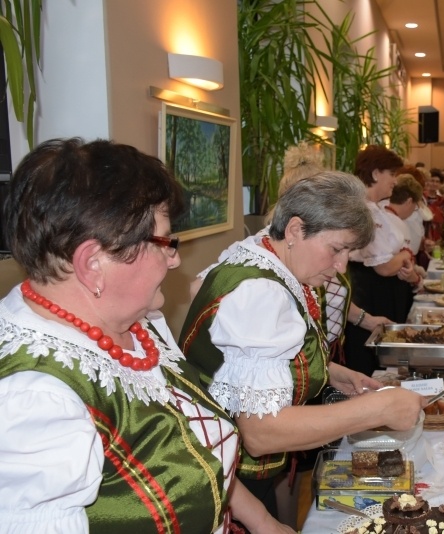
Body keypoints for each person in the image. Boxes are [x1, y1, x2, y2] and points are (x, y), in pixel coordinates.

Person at [0, 138, 291, 533]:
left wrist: (263, 522)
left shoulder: (134, 319)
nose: (174, 259)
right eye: (164, 242)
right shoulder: (34, 401)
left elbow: (193, 442)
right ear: (93, 263)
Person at [180, 170, 426, 522]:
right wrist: (378, 410)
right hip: (227, 482)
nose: (341, 266)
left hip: (231, 473)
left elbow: (229, 341)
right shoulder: (261, 293)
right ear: (296, 229)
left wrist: (329, 372)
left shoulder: (265, 249)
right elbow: (261, 433)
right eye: (337, 249)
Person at [344, 145, 424, 376]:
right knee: (370, 360)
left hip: (382, 290)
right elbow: (384, 267)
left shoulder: (376, 209)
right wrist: (403, 256)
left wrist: (403, 258)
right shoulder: (364, 211)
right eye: (392, 174)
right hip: (370, 292)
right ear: (376, 173)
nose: (395, 181)